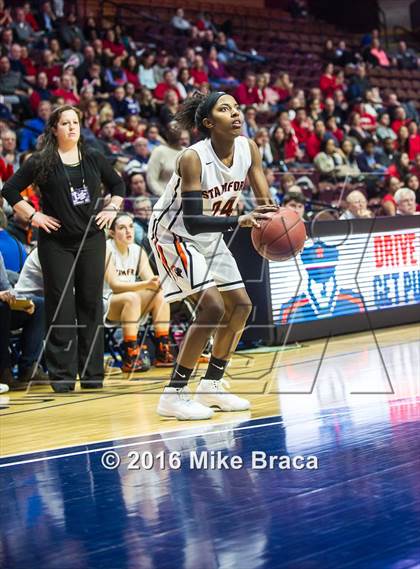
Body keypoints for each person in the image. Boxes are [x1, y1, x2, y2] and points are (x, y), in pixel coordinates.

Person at [148, 92, 278, 420]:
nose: (236, 114)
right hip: (173, 234)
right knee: (212, 307)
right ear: (208, 123)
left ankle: (212, 385)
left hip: (209, 235)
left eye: (236, 108)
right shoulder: (193, 158)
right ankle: (174, 394)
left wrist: (280, 229)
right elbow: (192, 220)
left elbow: (265, 203)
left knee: (242, 306)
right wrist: (240, 220)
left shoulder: (249, 149)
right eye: (225, 109)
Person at [1, 105, 125, 393]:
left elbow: (118, 185)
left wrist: (113, 209)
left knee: (91, 304)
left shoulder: (94, 157)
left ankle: (93, 375)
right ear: (54, 129)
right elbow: (9, 189)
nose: (72, 127)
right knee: (61, 307)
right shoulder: (41, 161)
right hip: (55, 243)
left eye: (76, 122)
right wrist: (33, 216)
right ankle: (63, 377)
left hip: (91, 240)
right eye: (65, 123)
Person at [104, 213, 174, 372]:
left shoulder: (137, 250)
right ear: (112, 232)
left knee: (160, 295)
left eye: (130, 226)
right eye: (122, 228)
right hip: (106, 302)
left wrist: (158, 283)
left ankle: (163, 349)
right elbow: (115, 286)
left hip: (131, 301)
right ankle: (131, 355)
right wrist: (145, 284)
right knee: (132, 297)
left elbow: (151, 282)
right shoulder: (106, 249)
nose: (129, 231)